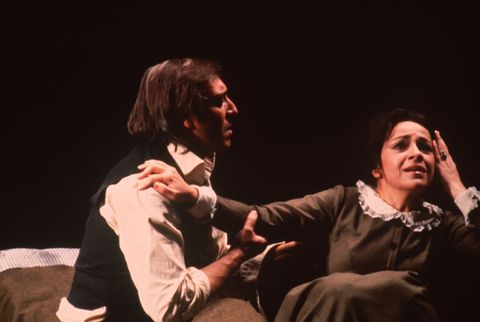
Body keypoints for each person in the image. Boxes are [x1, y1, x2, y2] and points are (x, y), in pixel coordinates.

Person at [138, 109, 479, 321]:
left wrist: (458, 189)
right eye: (401, 145)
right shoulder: (344, 201)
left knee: (403, 288)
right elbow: (265, 216)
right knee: (338, 290)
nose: (417, 154)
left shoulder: (445, 224)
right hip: (336, 316)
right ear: (376, 166)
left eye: (425, 148)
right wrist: (195, 196)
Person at [56, 58, 266, 322]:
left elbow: (208, 250)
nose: (233, 109)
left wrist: (272, 251)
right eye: (218, 101)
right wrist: (239, 255)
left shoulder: (189, 164)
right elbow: (170, 307)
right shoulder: (144, 189)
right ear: (185, 117)